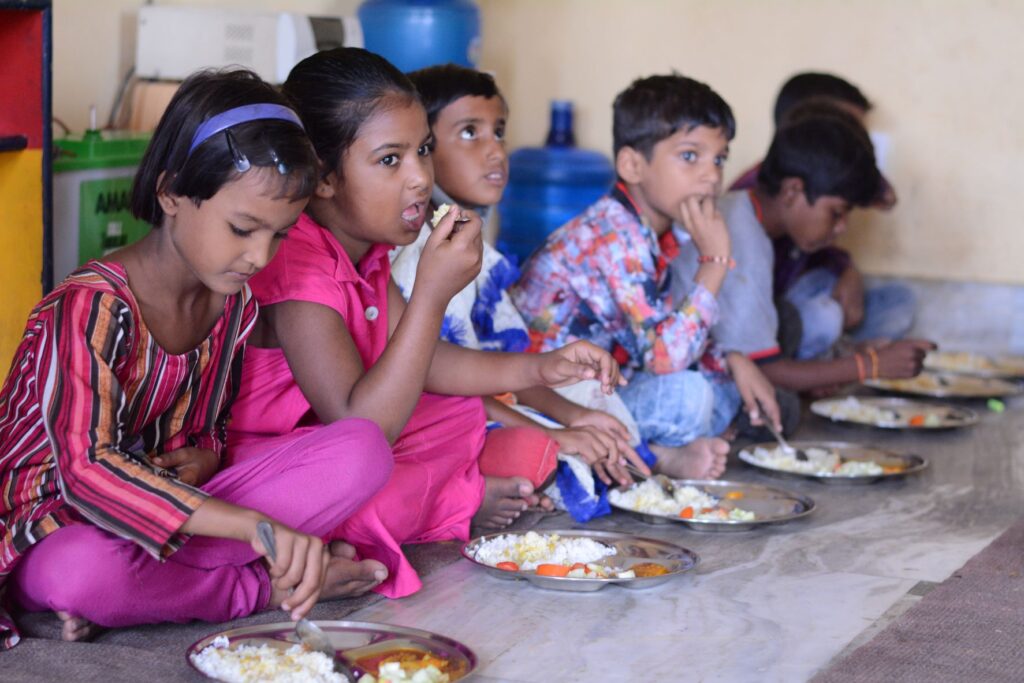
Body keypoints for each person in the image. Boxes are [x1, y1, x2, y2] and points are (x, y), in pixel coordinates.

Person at [0, 69, 395, 649]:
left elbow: (208, 431)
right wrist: (253, 530)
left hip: (173, 514)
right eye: (242, 228)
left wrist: (206, 462)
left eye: (280, 235)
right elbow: (87, 476)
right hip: (58, 523)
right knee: (80, 573)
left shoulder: (231, 304)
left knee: (363, 449)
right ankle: (256, 591)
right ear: (171, 193)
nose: (259, 256)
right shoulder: (90, 307)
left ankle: (150, 593)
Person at [227, 48, 625, 599]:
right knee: (371, 466)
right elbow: (359, 426)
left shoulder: (363, 251)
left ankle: (412, 510)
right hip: (285, 459)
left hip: (339, 444)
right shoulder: (299, 262)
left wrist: (542, 366)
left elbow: (430, 362)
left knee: (469, 417)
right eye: (390, 160)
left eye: (424, 150)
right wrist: (432, 295)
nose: (419, 179)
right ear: (322, 177)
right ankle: (450, 505)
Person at [389, 64, 649, 517]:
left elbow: (503, 366)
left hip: (490, 403)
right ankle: (547, 479)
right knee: (533, 451)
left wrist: (573, 418)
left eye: (499, 132)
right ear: (423, 151)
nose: (495, 151)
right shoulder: (417, 256)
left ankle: (617, 467)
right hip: (442, 416)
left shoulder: (477, 246)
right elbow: (442, 383)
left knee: (593, 402)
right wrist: (555, 433)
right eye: (470, 133)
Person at [513, 74, 782, 480]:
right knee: (690, 397)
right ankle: (653, 455)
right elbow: (664, 359)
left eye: (719, 158)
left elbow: (662, 335)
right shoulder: (614, 235)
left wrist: (733, 358)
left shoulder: (656, 232)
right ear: (632, 165)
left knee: (723, 387)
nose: (711, 175)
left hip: (606, 385)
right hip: (544, 400)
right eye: (690, 156)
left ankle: (649, 452)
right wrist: (715, 260)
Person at [675, 104, 933, 393]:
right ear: (792, 191)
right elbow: (765, 371)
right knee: (779, 409)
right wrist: (870, 365)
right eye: (836, 213)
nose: (842, 228)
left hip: (730, 347)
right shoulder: (741, 237)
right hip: (688, 370)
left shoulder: (747, 211)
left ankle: (821, 368)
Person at [730, 72, 912, 357]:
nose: (852, 139)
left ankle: (830, 354)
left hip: (790, 304)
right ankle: (826, 358)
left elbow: (884, 197)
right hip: (771, 318)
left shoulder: (805, 197)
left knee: (897, 302)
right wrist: (863, 366)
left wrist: (847, 269)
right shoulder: (751, 216)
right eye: (844, 127)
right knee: (822, 316)